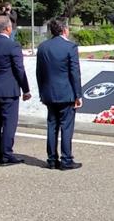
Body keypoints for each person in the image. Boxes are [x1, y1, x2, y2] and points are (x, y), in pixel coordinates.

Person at [0, 15, 31, 166]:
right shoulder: (12, 45)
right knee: (9, 122)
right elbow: (19, 69)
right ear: (8, 28)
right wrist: (26, 89)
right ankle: (6, 154)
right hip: (9, 88)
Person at [36, 17, 83, 170]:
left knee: (52, 126)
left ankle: (51, 159)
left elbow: (39, 73)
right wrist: (78, 94)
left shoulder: (43, 47)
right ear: (64, 29)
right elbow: (74, 73)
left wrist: (42, 92)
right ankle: (66, 159)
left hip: (49, 92)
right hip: (66, 92)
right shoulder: (70, 47)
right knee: (66, 127)